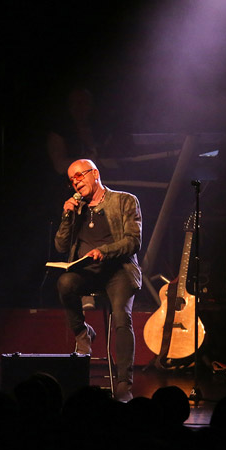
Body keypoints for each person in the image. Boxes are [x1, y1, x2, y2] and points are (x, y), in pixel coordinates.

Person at [54, 159, 142, 402]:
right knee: (64, 283)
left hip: (118, 270)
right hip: (86, 272)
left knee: (122, 318)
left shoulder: (125, 200)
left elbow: (133, 241)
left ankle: (124, 383)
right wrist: (66, 216)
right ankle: (83, 334)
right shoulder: (77, 208)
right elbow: (60, 246)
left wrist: (105, 250)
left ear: (95, 174)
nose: (76, 181)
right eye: (72, 179)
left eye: (80, 175)